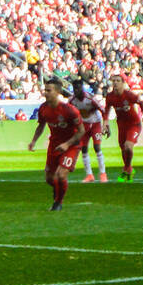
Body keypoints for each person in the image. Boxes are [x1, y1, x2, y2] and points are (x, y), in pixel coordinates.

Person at [27, 79, 83, 211]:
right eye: (45, 90)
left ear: (57, 92)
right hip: (54, 144)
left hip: (71, 145)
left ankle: (58, 203)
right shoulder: (43, 108)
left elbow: (81, 131)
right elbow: (41, 125)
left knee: (61, 175)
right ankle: (58, 190)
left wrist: (67, 144)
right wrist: (33, 141)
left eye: (49, 90)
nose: (45, 93)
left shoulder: (70, 110)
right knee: (50, 179)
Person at [104, 73, 143, 182]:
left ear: (123, 83)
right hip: (121, 124)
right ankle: (128, 170)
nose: (115, 83)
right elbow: (106, 110)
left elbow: (141, 101)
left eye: (118, 81)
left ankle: (126, 168)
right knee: (123, 149)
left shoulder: (129, 95)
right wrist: (105, 122)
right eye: (114, 81)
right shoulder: (110, 97)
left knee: (128, 146)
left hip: (134, 124)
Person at [69, 79, 108, 183]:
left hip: (95, 124)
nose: (76, 91)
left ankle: (103, 174)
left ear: (82, 88)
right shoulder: (72, 101)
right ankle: (89, 175)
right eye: (74, 89)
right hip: (84, 126)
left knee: (97, 147)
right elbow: (68, 113)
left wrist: (105, 124)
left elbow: (103, 111)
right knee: (84, 149)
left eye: (78, 88)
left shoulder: (90, 99)